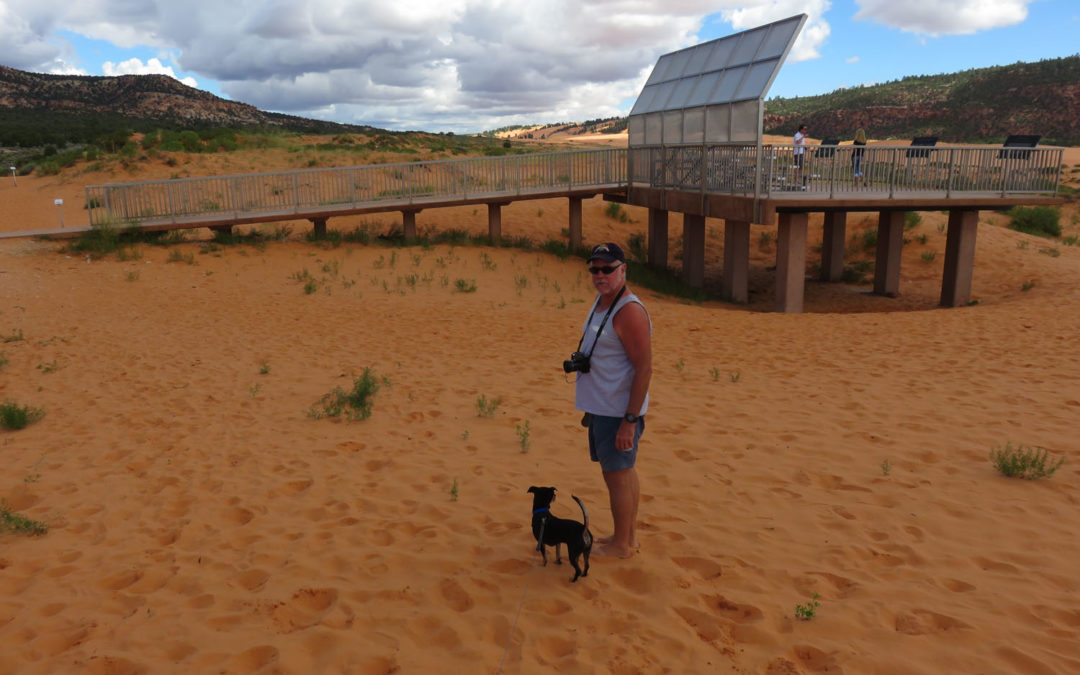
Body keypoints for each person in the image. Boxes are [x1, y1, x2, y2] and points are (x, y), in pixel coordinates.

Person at [572, 242, 652, 559]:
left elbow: (644, 368)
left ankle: (621, 547)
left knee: (616, 475)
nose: (600, 275)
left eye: (608, 268)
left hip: (618, 411)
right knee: (624, 471)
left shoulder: (629, 311)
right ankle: (627, 537)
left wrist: (629, 422)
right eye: (595, 269)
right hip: (602, 407)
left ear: (623, 270)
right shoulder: (603, 301)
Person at [793, 124, 808, 188]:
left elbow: (802, 144)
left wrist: (806, 148)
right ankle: (796, 179)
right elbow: (798, 142)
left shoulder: (802, 135)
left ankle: (798, 179)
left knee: (800, 166)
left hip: (802, 152)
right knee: (798, 166)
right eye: (804, 129)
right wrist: (803, 137)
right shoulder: (797, 135)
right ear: (801, 129)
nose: (805, 130)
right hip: (797, 153)